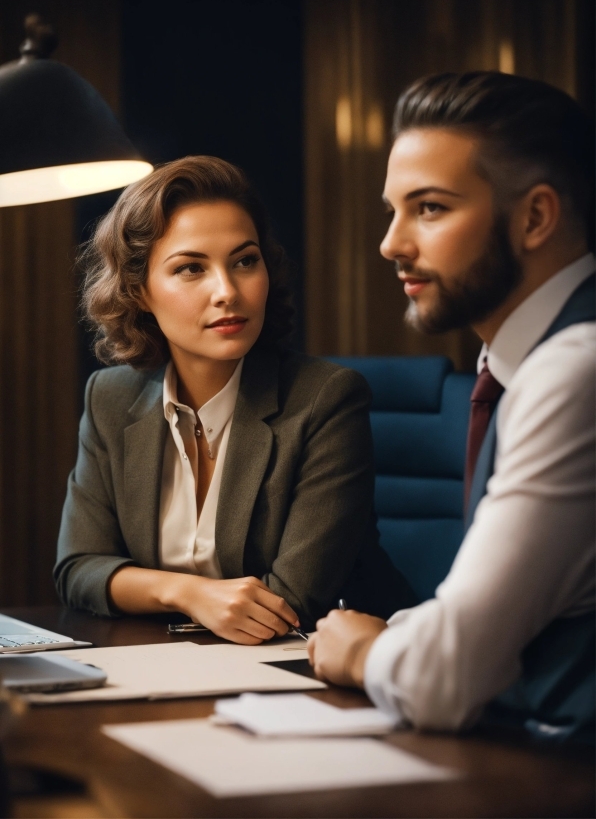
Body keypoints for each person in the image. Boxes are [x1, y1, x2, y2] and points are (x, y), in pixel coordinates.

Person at [308, 72, 595, 741]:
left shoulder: (573, 372)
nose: (392, 243)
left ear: (535, 217)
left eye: (429, 208)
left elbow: (444, 677)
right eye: (393, 209)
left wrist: (361, 652)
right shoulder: (520, 364)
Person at [55, 155, 414, 645]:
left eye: (245, 261)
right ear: (139, 290)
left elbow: (290, 601)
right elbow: (78, 568)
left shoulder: (326, 399)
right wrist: (187, 593)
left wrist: (143, 587)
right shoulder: (110, 397)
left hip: (326, 672)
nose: (227, 291)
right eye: (190, 269)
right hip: (172, 666)